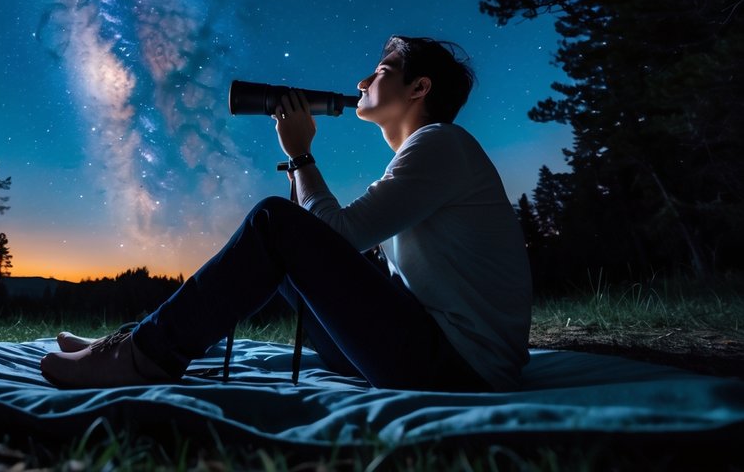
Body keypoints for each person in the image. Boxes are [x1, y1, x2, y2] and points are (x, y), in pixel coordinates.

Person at [41, 36, 532, 392]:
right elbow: (360, 262)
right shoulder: (426, 156)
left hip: (460, 367)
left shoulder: (440, 144)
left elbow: (342, 236)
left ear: (419, 87)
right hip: (431, 350)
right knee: (280, 242)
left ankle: (141, 358)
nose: (362, 80)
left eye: (381, 71)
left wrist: (300, 156)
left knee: (273, 223)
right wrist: (300, 202)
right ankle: (140, 340)